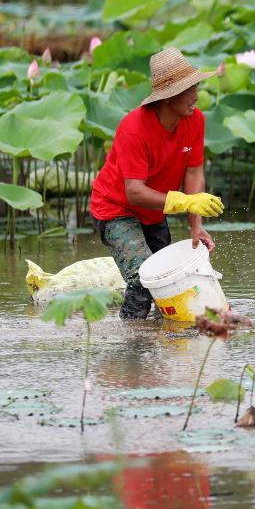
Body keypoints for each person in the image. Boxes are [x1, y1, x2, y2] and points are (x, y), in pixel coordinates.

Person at [90, 47, 225, 319]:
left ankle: (162, 341)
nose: (196, 95)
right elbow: (135, 192)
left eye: (195, 86)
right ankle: (130, 341)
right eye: (188, 89)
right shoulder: (134, 129)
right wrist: (184, 201)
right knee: (143, 279)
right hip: (116, 211)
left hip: (154, 212)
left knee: (170, 279)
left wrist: (196, 228)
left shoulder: (195, 120)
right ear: (167, 98)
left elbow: (193, 173)